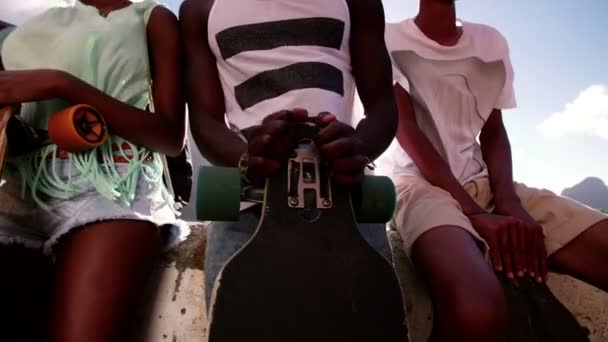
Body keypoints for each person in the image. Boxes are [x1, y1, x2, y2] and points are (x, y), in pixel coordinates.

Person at [386, 0, 608, 341]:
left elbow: (493, 132)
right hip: (418, 182)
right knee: (477, 309)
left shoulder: (490, 42)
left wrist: (508, 201)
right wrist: (473, 211)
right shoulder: (390, 38)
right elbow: (407, 130)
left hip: (484, 181)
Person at [180, 0, 398, 307]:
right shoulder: (201, 9)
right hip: (248, 209)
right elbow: (204, 119)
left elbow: (383, 107)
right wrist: (248, 159)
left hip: (347, 207)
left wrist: (357, 148)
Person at [0, 0, 185, 340]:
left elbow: (170, 137)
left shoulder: (151, 18)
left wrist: (61, 84)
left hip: (114, 187)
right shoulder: (21, 34)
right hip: (18, 189)